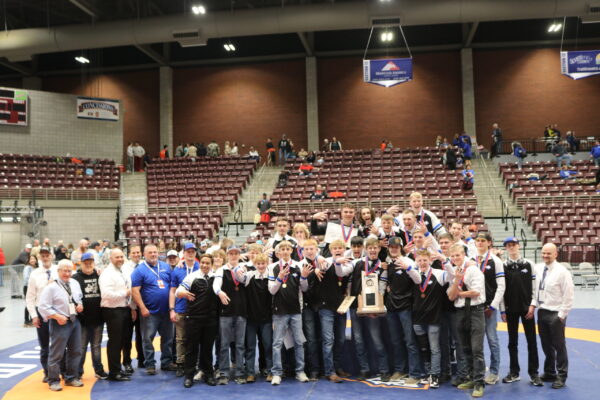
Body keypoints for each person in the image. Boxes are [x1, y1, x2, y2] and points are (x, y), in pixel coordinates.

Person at [500, 237, 542, 386]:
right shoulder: (502, 266)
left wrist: (533, 305)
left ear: (519, 246)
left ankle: (534, 373)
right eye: (508, 245)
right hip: (510, 309)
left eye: (514, 245)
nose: (511, 247)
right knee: (512, 342)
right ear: (506, 248)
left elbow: (535, 286)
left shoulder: (529, 264)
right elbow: (501, 289)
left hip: (527, 309)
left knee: (532, 341)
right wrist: (502, 310)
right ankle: (514, 372)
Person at [349, 238, 393, 381]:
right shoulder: (357, 264)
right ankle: (364, 369)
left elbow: (382, 288)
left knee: (377, 340)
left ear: (379, 249)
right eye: (370, 248)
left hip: (373, 309)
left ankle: (384, 370)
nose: (373, 250)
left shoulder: (383, 267)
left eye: (375, 248)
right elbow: (350, 284)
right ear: (366, 249)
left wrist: (376, 307)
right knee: (358, 340)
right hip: (356, 306)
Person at [268, 241, 311, 385]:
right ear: (278, 252)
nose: (285, 251)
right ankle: (277, 373)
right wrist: (280, 277)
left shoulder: (299, 266)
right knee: (277, 343)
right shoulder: (272, 267)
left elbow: (304, 289)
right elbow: (272, 290)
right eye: (282, 249)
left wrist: (304, 277)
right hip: (279, 310)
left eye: (287, 249)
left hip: (295, 311)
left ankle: (300, 371)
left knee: (299, 342)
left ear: (291, 250)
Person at [38, 259, 84, 391]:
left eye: (70, 270)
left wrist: (80, 305)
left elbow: (78, 298)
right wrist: (57, 316)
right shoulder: (51, 287)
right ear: (58, 271)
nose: (67, 273)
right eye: (64, 270)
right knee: (56, 353)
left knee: (75, 351)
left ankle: (71, 378)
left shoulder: (74, 283)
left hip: (74, 321)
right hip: (60, 322)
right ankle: (53, 381)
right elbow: (43, 306)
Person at [533, 243, 574, 389]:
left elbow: (568, 295)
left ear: (556, 254)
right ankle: (550, 372)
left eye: (548, 253)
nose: (545, 256)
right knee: (546, 345)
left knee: (559, 346)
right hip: (542, 311)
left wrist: (562, 315)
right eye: (543, 253)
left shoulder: (563, 272)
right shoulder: (538, 268)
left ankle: (561, 376)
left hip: (556, 313)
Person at [447, 244, 486, 398]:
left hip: (475, 312)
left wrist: (459, 293)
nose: (455, 258)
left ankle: (479, 383)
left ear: (463, 255)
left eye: (458, 255)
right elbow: (451, 296)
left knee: (477, 350)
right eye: (453, 256)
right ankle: (471, 378)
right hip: (460, 312)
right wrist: (456, 281)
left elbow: (476, 292)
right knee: (465, 348)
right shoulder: (454, 272)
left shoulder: (473, 270)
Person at [412, 250, 454, 388]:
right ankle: (428, 373)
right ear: (416, 261)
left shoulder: (438, 273)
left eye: (425, 260)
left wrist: (445, 261)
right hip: (418, 318)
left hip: (434, 318)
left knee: (435, 348)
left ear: (430, 260)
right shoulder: (413, 274)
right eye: (420, 260)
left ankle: (435, 375)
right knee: (424, 348)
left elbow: (452, 275)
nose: (422, 263)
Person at [176, 254, 219, 388]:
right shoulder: (192, 276)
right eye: (203, 263)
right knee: (191, 348)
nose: (205, 265)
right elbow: (178, 291)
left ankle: (208, 374)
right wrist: (183, 293)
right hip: (194, 318)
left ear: (211, 264)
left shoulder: (217, 277)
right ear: (200, 263)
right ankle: (189, 376)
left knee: (207, 348)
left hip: (211, 318)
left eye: (208, 263)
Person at [131, 244, 175, 375]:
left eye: (155, 252)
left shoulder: (166, 266)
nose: (153, 254)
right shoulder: (139, 270)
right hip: (149, 312)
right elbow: (135, 291)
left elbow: (173, 286)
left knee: (168, 339)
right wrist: (142, 307)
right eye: (150, 252)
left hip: (166, 311)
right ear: (144, 254)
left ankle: (166, 362)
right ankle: (150, 364)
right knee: (147, 339)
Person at [382, 237, 421, 383]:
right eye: (391, 246)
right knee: (396, 340)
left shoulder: (410, 262)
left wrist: (408, 268)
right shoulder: (389, 264)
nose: (393, 249)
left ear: (401, 248)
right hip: (392, 307)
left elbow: (418, 281)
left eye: (396, 247)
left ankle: (415, 373)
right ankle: (400, 369)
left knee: (410, 341)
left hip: (406, 307)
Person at [473, 232, 505, 386]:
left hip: (489, 307)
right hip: (474, 307)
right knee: (476, 342)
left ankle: (493, 372)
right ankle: (477, 370)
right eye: (477, 240)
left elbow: (501, 286)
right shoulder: (471, 259)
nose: (479, 243)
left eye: (483, 241)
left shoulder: (496, 261)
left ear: (489, 243)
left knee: (492, 340)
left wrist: (494, 306)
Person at [213, 245, 248, 385]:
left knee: (240, 344)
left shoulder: (244, 268)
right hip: (226, 312)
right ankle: (224, 372)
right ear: (227, 255)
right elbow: (216, 285)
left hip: (241, 311)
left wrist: (241, 274)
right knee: (224, 344)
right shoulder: (222, 270)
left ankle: (240, 372)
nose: (233, 256)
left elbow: (246, 281)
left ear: (239, 255)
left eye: (236, 253)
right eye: (231, 253)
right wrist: (219, 292)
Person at [98, 249, 134, 382]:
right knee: (115, 342)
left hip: (123, 309)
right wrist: (125, 293)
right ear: (111, 258)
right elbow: (106, 294)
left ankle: (118, 368)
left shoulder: (122, 270)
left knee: (122, 341)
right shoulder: (107, 274)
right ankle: (114, 372)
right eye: (117, 257)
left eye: (121, 256)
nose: (120, 259)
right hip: (112, 311)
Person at [26, 246, 59, 382]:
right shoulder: (34, 274)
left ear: (51, 256)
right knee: (45, 346)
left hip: (58, 311)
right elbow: (30, 297)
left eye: (47, 255)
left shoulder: (59, 270)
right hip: (41, 312)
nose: (45, 258)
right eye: (42, 255)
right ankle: (47, 372)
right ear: (39, 257)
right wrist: (34, 315)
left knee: (60, 344)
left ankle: (61, 370)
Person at [72, 253, 107, 380]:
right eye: (86, 261)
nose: (88, 264)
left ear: (94, 262)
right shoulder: (75, 278)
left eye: (90, 261)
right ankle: (78, 371)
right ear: (81, 263)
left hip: (98, 319)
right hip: (82, 320)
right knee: (80, 347)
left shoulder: (100, 275)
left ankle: (98, 369)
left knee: (96, 346)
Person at [169, 243, 200, 377]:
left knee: (195, 338)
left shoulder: (201, 267)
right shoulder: (178, 269)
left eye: (193, 251)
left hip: (197, 309)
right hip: (181, 308)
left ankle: (195, 363)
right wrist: (172, 309)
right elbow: (172, 291)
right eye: (188, 251)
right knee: (180, 338)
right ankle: (181, 364)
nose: (190, 253)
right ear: (184, 253)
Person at [243, 253, 273, 383]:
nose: (261, 266)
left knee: (267, 345)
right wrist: (241, 267)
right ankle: (250, 373)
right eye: (258, 264)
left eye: (263, 263)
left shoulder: (271, 277)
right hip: (251, 319)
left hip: (267, 319)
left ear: (267, 263)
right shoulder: (249, 276)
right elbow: (238, 275)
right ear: (255, 265)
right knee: (250, 346)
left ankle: (270, 371)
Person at [122, 245, 143, 372]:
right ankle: (127, 362)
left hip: (141, 306)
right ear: (129, 254)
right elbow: (125, 289)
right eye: (134, 252)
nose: (136, 254)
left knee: (142, 335)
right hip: (128, 307)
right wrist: (131, 307)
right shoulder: (124, 268)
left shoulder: (144, 265)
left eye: (138, 252)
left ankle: (142, 359)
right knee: (127, 336)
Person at [23, 255, 38, 326]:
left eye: (34, 259)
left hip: (35, 288)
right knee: (29, 303)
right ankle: (26, 320)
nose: (33, 260)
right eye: (31, 259)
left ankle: (32, 319)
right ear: (28, 260)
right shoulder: (28, 268)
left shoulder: (35, 267)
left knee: (34, 303)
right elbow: (26, 278)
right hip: (28, 287)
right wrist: (34, 283)